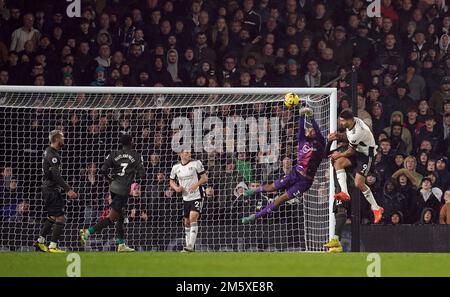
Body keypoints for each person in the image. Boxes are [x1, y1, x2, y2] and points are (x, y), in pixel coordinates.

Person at [240, 107, 325, 224]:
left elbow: (319, 133)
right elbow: (300, 129)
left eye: (312, 130)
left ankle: (254, 217)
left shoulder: (320, 145)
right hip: (295, 173)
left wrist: (311, 118)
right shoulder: (302, 141)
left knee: (280, 199)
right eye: (309, 129)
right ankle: (253, 191)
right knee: (271, 187)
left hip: (305, 181)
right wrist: (301, 116)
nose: (310, 131)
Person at [80, 134, 145, 252]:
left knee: (121, 216)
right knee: (111, 218)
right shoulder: (136, 156)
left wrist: (110, 179)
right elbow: (142, 174)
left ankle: (121, 245)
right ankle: (87, 232)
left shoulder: (113, 154)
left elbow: (103, 170)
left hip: (113, 188)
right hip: (123, 190)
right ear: (131, 142)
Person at [327, 110, 384, 224]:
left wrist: (339, 154)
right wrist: (338, 136)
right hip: (358, 151)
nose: (341, 123)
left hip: (367, 156)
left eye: (342, 121)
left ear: (349, 120)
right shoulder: (353, 123)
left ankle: (377, 208)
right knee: (338, 162)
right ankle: (344, 192)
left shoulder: (358, 131)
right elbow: (348, 137)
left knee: (359, 183)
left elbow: (350, 151)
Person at [34, 130, 77, 253]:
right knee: (61, 218)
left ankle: (40, 241)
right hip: (51, 189)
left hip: (48, 188)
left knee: (53, 216)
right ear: (57, 139)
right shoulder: (53, 155)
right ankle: (53, 246)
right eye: (62, 137)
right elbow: (56, 176)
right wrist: (68, 190)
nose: (64, 140)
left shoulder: (48, 151)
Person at [169, 150, 208, 252]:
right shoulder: (175, 167)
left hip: (197, 195)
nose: (189, 154)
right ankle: (187, 247)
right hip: (186, 198)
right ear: (180, 154)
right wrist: (176, 188)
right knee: (186, 222)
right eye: (186, 153)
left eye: (190, 152)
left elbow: (204, 178)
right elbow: (171, 181)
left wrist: (196, 184)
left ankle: (190, 246)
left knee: (192, 218)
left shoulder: (196, 163)